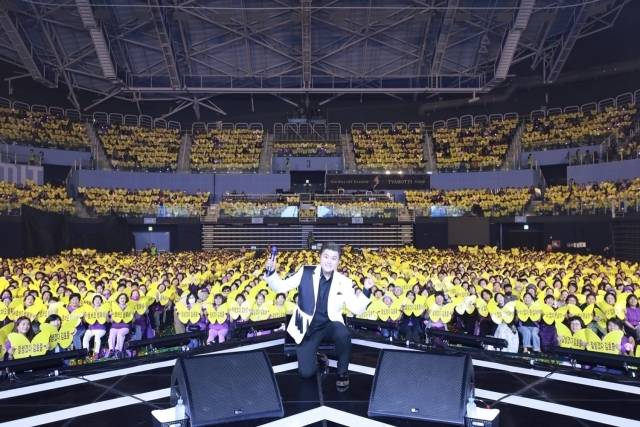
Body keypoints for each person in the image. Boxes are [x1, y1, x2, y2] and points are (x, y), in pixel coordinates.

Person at [265, 242, 373, 390]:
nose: (329, 261)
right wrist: (271, 271)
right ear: (320, 257)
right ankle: (317, 357)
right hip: (307, 327)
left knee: (344, 334)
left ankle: (342, 372)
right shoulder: (305, 272)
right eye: (326, 256)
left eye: (334, 258)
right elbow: (280, 287)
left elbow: (357, 308)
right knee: (306, 373)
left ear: (338, 261)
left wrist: (366, 290)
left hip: (331, 325)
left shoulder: (345, 282)